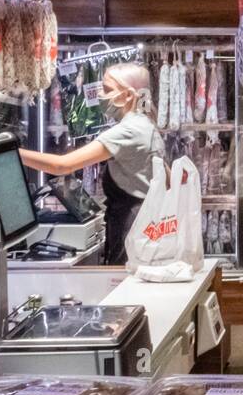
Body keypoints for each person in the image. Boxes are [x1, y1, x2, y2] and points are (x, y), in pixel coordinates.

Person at [20, 62, 163, 264]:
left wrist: (12, 152)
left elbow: (62, 166)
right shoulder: (146, 125)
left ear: (129, 95)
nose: (101, 96)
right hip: (143, 227)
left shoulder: (129, 131)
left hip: (130, 230)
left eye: (107, 90)